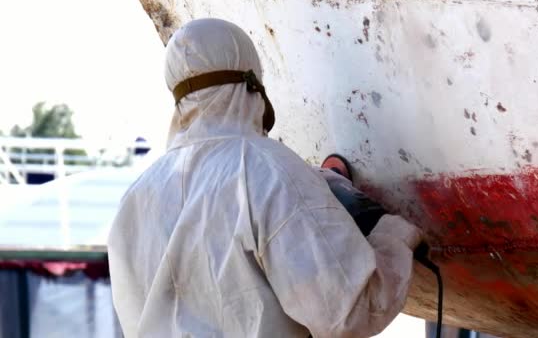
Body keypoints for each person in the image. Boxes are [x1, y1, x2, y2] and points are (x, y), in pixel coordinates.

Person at [108, 18, 423, 338]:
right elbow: (346, 312)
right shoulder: (266, 168)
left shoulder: (133, 200)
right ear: (252, 83)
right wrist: (392, 238)